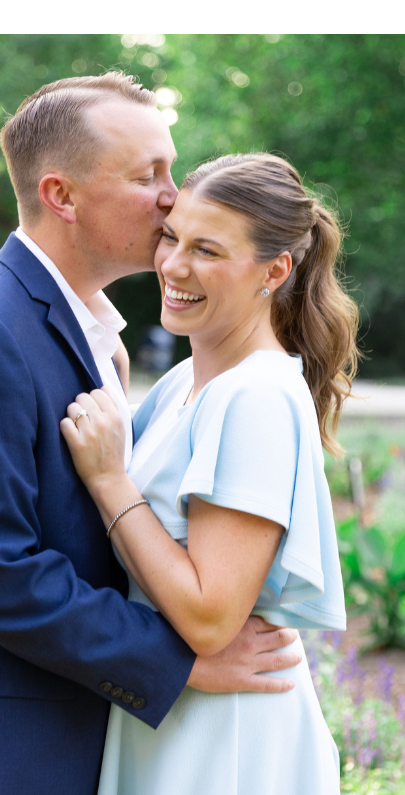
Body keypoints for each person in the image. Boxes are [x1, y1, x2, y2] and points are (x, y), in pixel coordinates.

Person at [0, 75, 309, 795]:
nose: (173, 197)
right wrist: (179, 661)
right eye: (147, 177)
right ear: (61, 196)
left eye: (171, 168)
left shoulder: (94, 333)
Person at [61, 152, 351, 793]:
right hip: (175, 718)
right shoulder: (183, 383)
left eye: (209, 251)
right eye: (171, 237)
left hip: (226, 741)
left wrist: (111, 482)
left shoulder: (254, 398)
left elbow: (211, 618)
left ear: (273, 271)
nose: (174, 265)